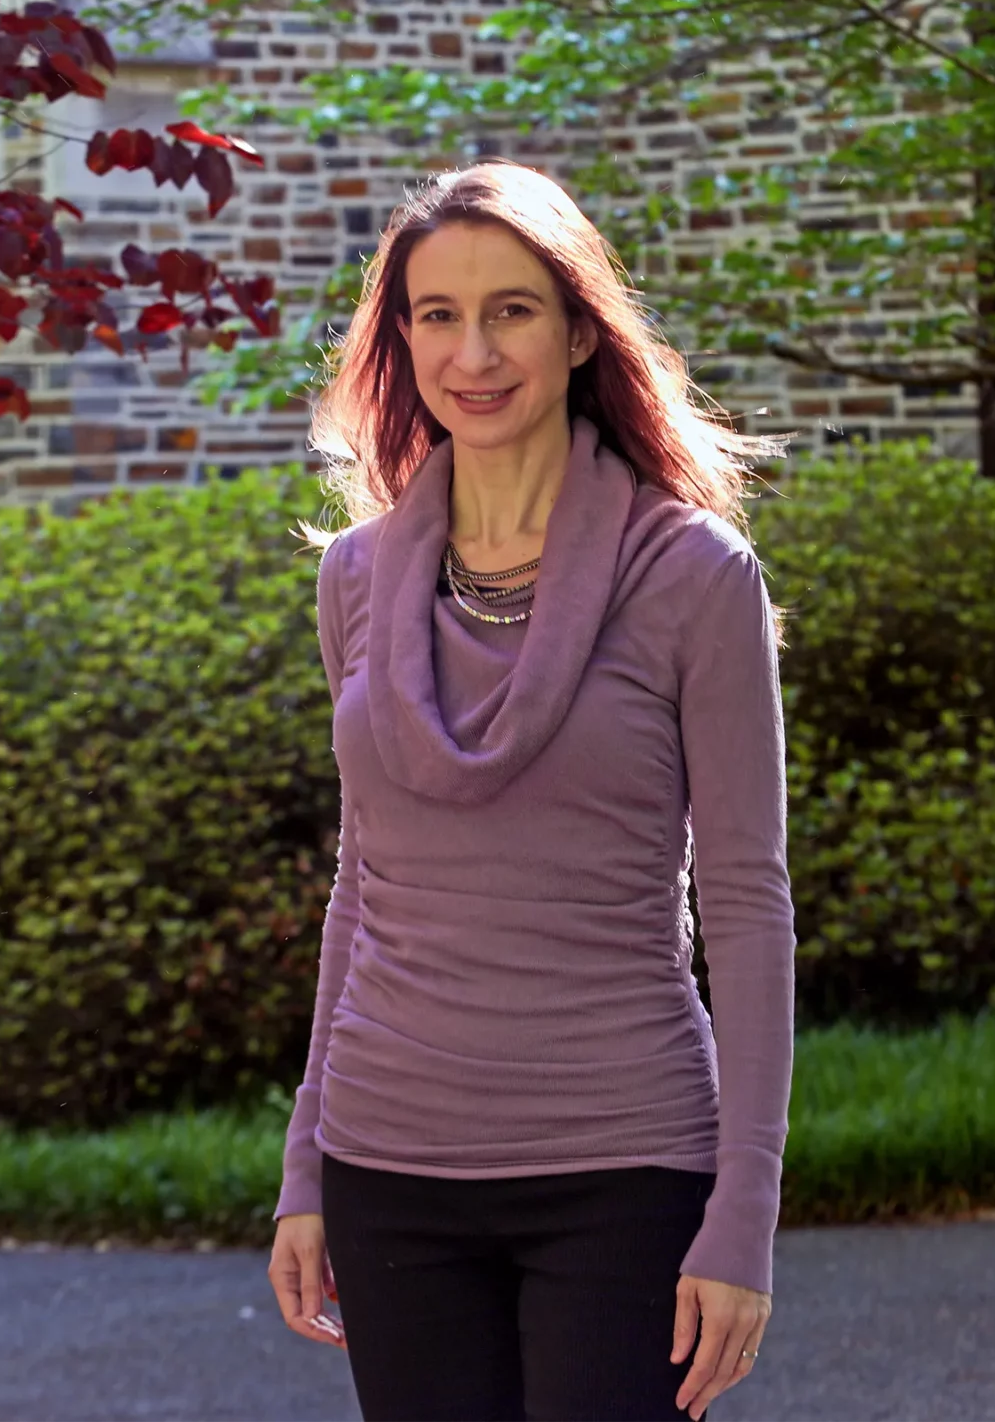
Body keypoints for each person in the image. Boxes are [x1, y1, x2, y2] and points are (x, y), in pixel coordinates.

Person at [264, 159, 797, 1422]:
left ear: (575, 330)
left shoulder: (692, 574)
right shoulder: (354, 578)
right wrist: (306, 1165)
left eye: (510, 309)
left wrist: (744, 1215)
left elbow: (747, 904)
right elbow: (364, 884)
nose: (473, 351)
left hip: (622, 1162)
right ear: (401, 341)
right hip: (389, 1162)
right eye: (436, 314)